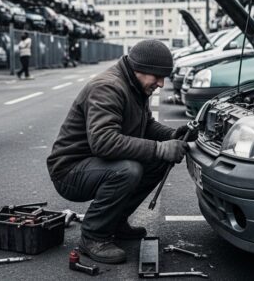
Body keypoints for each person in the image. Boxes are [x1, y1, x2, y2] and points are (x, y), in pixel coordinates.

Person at [46, 40, 197, 264]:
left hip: (94, 163)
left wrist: (172, 135)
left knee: (157, 161)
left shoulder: (135, 85)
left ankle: (114, 222)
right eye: (157, 76)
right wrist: (159, 148)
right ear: (139, 68)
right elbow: (103, 142)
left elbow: (145, 125)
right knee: (129, 170)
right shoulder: (108, 87)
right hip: (69, 171)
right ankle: (93, 236)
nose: (161, 83)